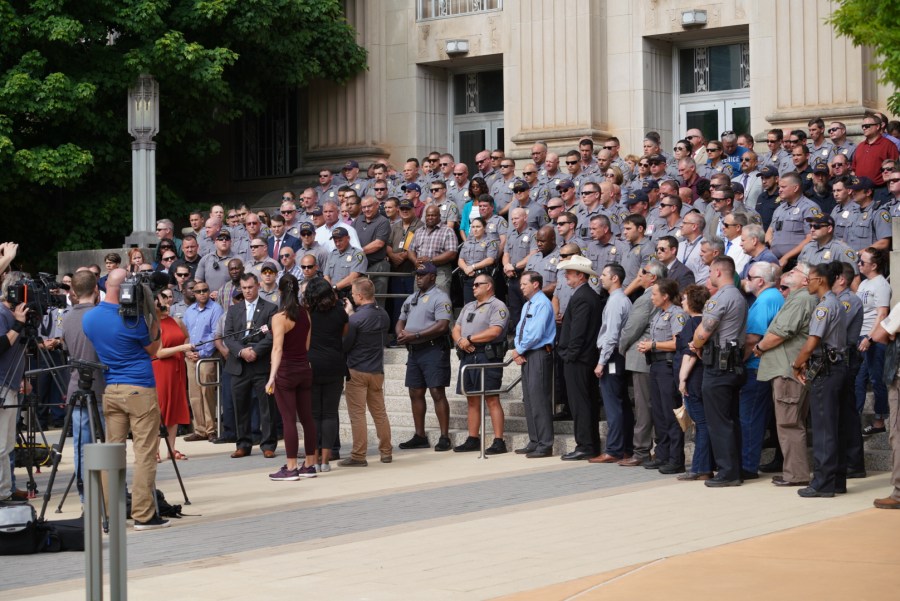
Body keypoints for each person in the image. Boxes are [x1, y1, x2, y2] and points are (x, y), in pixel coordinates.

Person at [82, 268, 167, 529]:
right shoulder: (133, 320)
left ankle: (110, 513)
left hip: (112, 388)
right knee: (144, 453)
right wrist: (155, 317)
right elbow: (153, 349)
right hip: (140, 388)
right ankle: (143, 514)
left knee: (112, 452)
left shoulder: (90, 318)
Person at [791, 262, 848, 498]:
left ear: (821, 280)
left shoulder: (824, 307)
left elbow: (812, 342)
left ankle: (823, 483)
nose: (807, 282)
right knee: (835, 426)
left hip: (826, 369)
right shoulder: (837, 303)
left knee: (824, 428)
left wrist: (797, 364)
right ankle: (836, 480)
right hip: (837, 366)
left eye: (810, 279)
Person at [690, 256, 747, 487]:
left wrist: (696, 343)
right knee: (731, 419)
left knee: (718, 421)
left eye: (711, 271)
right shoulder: (739, 296)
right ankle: (735, 468)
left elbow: (703, 333)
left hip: (718, 366)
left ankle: (727, 472)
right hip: (733, 363)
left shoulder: (720, 298)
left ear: (718, 272)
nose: (709, 275)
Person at [263, 274, 317, 480]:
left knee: (288, 420)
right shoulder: (305, 314)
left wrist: (271, 377)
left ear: (279, 292)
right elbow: (307, 346)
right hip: (304, 368)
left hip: (286, 371)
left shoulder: (279, 317)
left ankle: (292, 466)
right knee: (307, 418)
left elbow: (277, 349)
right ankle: (309, 464)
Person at [396, 263, 453, 452]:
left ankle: (444, 437)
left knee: (437, 392)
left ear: (433, 277)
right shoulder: (411, 298)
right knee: (415, 392)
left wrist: (416, 335)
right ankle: (419, 435)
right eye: (417, 275)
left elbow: (442, 325)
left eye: (422, 274)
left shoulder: (440, 297)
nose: (418, 278)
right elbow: (401, 320)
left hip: (433, 349)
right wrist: (401, 334)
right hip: (414, 351)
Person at [451, 275, 509, 454]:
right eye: (473, 284)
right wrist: (460, 341)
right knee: (471, 398)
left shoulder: (497, 305)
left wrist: (469, 339)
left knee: (491, 398)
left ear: (489, 286)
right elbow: (456, 328)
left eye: (478, 284)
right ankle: (473, 438)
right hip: (467, 355)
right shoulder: (468, 306)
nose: (473, 287)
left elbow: (495, 331)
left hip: (487, 355)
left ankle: (499, 441)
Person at [224, 273, 278, 459]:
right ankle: (243, 444)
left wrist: (255, 351)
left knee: (266, 407)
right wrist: (242, 352)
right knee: (240, 406)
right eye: (244, 288)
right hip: (239, 364)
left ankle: (268, 444)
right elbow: (228, 336)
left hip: (260, 364)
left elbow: (272, 335)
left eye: (250, 287)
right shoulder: (234, 310)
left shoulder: (270, 308)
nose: (247, 291)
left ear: (258, 286)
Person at [638, 278, 688, 474]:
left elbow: (677, 342)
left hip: (668, 366)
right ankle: (662, 455)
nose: (651, 298)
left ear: (665, 296)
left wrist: (653, 345)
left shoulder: (677, 314)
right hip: (656, 365)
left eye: (654, 294)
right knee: (658, 413)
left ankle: (676, 459)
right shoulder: (659, 314)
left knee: (670, 413)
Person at [556, 256, 604, 461]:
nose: (566, 276)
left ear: (580, 275)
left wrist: (570, 355)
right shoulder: (585, 294)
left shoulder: (583, 297)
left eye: (570, 272)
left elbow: (578, 332)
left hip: (579, 359)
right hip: (582, 357)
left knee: (580, 403)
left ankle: (585, 445)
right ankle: (588, 444)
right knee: (585, 402)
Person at [341, 279, 392, 466]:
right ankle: (386, 452)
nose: (353, 297)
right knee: (380, 413)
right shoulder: (383, 314)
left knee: (357, 414)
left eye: (354, 294)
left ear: (360, 296)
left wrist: (349, 315)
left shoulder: (355, 319)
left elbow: (346, 345)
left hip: (357, 369)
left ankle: (358, 455)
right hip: (377, 370)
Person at [740, 262, 784, 477]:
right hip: (766, 366)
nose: (745, 280)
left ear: (760, 281)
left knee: (749, 418)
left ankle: (747, 466)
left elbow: (752, 339)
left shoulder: (765, 299)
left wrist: (740, 362)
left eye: (749, 277)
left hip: (756, 367)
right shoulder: (774, 296)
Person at [510, 271, 556, 458]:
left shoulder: (542, 303)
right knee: (529, 400)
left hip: (538, 353)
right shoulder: (528, 304)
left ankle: (545, 444)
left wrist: (519, 350)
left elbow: (536, 333)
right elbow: (520, 329)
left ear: (535, 284)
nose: (521, 287)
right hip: (528, 353)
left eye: (524, 284)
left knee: (539, 400)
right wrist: (519, 349)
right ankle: (535, 440)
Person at [592, 263, 634, 464]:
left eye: (604, 274)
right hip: (616, 354)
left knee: (613, 403)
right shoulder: (618, 299)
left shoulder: (617, 301)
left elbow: (611, 335)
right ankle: (625, 447)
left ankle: (615, 449)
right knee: (620, 402)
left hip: (612, 355)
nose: (600, 277)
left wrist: (602, 361)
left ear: (615, 278)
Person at [305, 278, 348, 472]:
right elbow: (343, 334)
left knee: (313, 415)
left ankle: (313, 460)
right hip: (335, 365)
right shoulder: (340, 312)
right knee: (330, 414)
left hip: (312, 365)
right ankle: (325, 461)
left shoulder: (306, 314)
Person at [676, 284, 713, 480]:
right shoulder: (704, 322)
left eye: (684, 299)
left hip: (694, 379)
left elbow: (689, 354)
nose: (682, 302)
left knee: (702, 423)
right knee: (703, 423)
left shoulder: (693, 323)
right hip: (702, 378)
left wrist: (682, 379)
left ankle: (701, 468)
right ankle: (701, 467)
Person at [152, 290, 193, 461]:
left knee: (174, 407)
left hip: (177, 368)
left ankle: (171, 448)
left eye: (168, 301)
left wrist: (186, 352)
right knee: (160, 409)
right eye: (162, 303)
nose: (167, 305)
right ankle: (154, 450)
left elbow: (185, 337)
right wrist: (182, 349)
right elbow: (159, 352)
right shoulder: (153, 325)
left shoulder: (176, 320)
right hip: (160, 369)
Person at [855, 247, 891, 436]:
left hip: (874, 338)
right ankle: (855, 420)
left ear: (874, 265)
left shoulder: (881, 285)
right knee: (859, 380)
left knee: (876, 379)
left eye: (863, 262)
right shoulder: (864, 283)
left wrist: (870, 337)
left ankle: (879, 420)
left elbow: (882, 314)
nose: (859, 264)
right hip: (861, 335)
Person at [182, 279, 224, 442]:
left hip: (207, 356)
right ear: (194, 293)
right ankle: (199, 430)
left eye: (205, 290)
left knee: (207, 392)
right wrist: (187, 351)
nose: (202, 294)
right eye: (198, 291)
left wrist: (202, 353)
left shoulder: (215, 309)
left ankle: (210, 428)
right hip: (191, 356)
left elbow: (215, 334)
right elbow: (184, 334)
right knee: (194, 393)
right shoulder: (190, 310)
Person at [1, 269, 29, 503]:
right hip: (1, 384)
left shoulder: (16, 313)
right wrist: (18, 324)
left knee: (8, 444)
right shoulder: (1, 313)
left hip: (11, 383)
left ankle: (6, 489)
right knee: (1, 445)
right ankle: (2, 493)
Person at [458, 217, 499, 304]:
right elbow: (460, 260)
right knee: (469, 305)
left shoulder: (491, 242)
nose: (475, 229)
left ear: (484, 228)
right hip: (468, 278)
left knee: (484, 305)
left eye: (478, 227)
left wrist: (472, 267)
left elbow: (490, 259)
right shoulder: (467, 242)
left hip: (483, 280)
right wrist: (466, 269)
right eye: (473, 227)